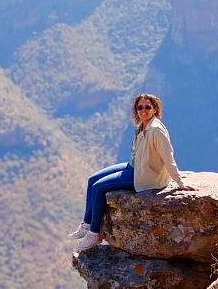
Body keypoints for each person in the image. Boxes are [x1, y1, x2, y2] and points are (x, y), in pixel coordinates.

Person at [68, 93, 193, 252]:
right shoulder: (142, 126)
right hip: (134, 166)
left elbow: (168, 156)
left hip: (146, 176)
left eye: (148, 107)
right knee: (92, 180)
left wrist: (180, 182)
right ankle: (86, 224)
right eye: (140, 107)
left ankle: (94, 233)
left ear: (155, 109)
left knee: (99, 187)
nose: (144, 110)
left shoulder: (156, 130)